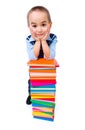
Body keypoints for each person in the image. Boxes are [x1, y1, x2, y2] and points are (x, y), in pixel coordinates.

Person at [26, 6, 57, 105]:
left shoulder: (53, 38)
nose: (39, 30)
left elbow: (50, 56)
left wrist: (43, 41)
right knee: (32, 82)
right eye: (34, 26)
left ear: (50, 25)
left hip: (47, 70)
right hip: (35, 69)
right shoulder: (28, 39)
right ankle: (31, 95)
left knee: (46, 84)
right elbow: (32, 57)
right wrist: (38, 41)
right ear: (29, 27)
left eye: (43, 25)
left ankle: (46, 97)